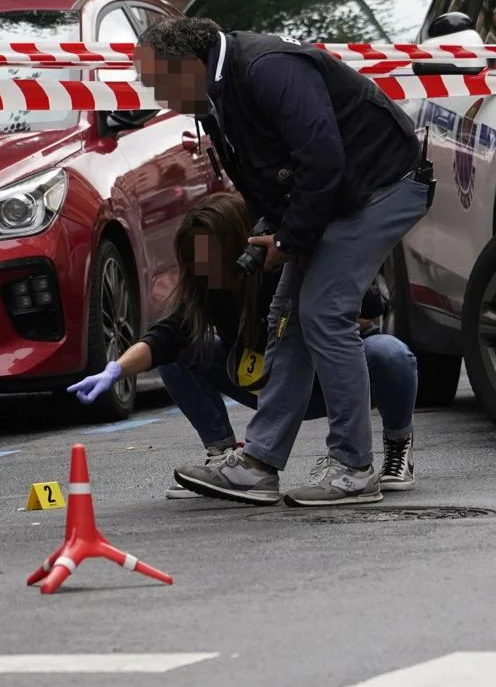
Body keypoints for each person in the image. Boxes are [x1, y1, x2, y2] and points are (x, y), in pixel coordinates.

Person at [131, 17, 432, 507]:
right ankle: (259, 464)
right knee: (286, 318)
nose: (160, 98)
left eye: (158, 82)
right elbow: (265, 176)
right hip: (340, 195)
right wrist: (273, 229)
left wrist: (290, 239)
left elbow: (323, 157)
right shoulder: (217, 95)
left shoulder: (267, 68)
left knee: (323, 312)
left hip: (383, 185)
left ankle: (353, 468)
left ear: (187, 66)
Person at [68, 192, 419, 503]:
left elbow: (372, 303)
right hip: (267, 385)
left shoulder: (282, 268)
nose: (203, 267)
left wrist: (330, 317)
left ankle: (397, 446)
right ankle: (223, 456)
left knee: (391, 355)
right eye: (195, 258)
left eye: (209, 255)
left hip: (329, 383)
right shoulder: (210, 290)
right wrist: (116, 370)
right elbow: (165, 337)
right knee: (179, 353)